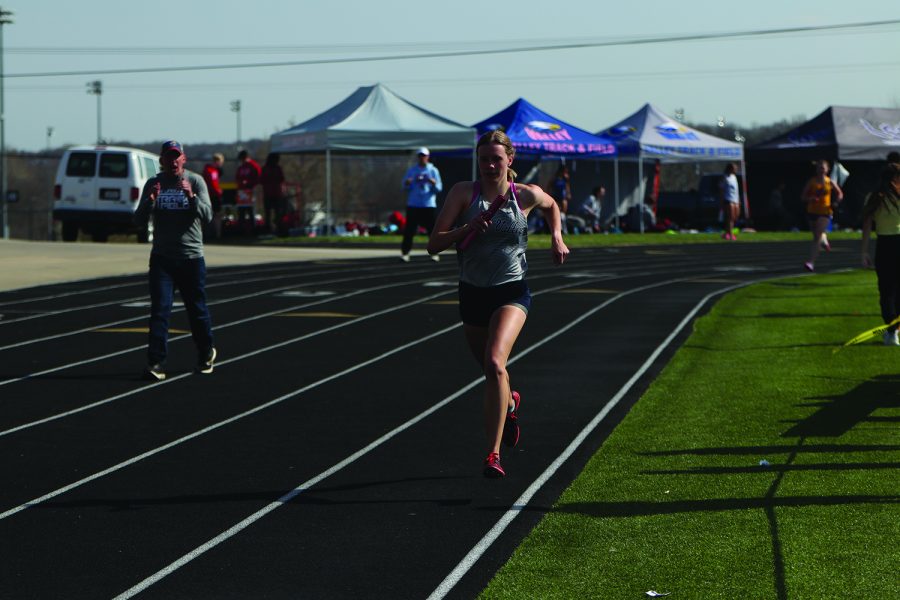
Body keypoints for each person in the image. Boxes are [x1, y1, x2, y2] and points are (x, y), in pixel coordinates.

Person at [426, 130, 569, 478]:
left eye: (496, 159)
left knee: (494, 363)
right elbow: (433, 244)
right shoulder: (464, 193)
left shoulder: (525, 194)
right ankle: (511, 402)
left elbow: (552, 206)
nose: (490, 165)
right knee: (492, 374)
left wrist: (556, 237)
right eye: (484, 159)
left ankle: (492, 454)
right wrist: (466, 229)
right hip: (472, 292)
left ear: (510, 159)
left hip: (511, 292)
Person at [134, 141, 216, 381]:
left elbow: (208, 216)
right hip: (162, 258)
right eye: (168, 157)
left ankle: (205, 353)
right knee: (160, 310)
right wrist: (150, 202)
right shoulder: (154, 183)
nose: (172, 161)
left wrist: (191, 197)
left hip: (191, 258)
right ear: (161, 160)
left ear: (184, 159)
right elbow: (138, 220)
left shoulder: (196, 182)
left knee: (196, 310)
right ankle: (156, 362)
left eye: (176, 157)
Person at [861, 163, 900, 345]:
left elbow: (867, 227)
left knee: (886, 289)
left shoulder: (873, 197)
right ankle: (894, 329)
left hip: (884, 245)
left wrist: (864, 252)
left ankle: (892, 329)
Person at [400, 147, 443, 262]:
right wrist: (407, 183)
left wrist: (433, 183)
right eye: (420, 155)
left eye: (424, 155)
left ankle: (434, 253)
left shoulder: (433, 170)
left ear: (428, 157)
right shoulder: (412, 170)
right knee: (409, 230)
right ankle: (405, 253)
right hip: (413, 204)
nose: (421, 158)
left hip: (428, 204)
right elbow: (404, 186)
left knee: (432, 230)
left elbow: (439, 188)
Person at [801, 159, 843, 271]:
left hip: (825, 212)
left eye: (823, 168)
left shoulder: (830, 182)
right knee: (816, 235)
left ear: (827, 170)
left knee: (817, 238)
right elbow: (803, 197)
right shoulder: (812, 182)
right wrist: (811, 198)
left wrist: (836, 202)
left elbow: (840, 193)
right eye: (819, 168)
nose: (821, 170)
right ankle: (824, 240)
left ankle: (811, 262)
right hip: (812, 211)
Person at [235, 149, 261, 233]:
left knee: (251, 211)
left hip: (250, 191)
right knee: (241, 211)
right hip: (242, 192)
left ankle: (253, 229)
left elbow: (258, 178)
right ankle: (241, 230)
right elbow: (237, 177)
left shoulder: (253, 165)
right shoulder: (241, 167)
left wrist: (249, 183)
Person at [261, 153, 286, 234]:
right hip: (276, 193)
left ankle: (268, 230)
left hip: (268, 193)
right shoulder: (277, 168)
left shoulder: (265, 168)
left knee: (268, 213)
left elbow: (261, 180)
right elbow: (282, 179)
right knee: (278, 213)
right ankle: (279, 230)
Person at [202, 153, 225, 239]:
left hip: (211, 194)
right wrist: (219, 192)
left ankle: (211, 233)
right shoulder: (211, 171)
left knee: (212, 215)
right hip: (213, 195)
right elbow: (213, 184)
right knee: (216, 215)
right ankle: (216, 234)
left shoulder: (211, 170)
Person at [547, 163, 570, 233]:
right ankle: (558, 229)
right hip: (555, 197)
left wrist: (568, 193)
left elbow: (567, 187)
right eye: (565, 172)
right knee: (557, 212)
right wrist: (549, 195)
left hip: (562, 198)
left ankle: (564, 228)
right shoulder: (555, 179)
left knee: (563, 214)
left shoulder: (565, 180)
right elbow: (549, 186)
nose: (565, 173)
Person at [719, 163, 740, 240]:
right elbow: (721, 190)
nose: (736, 170)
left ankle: (726, 233)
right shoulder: (725, 177)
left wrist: (738, 200)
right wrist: (721, 201)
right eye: (735, 168)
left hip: (735, 199)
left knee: (735, 217)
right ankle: (730, 235)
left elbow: (736, 190)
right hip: (728, 199)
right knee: (730, 218)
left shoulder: (734, 177)